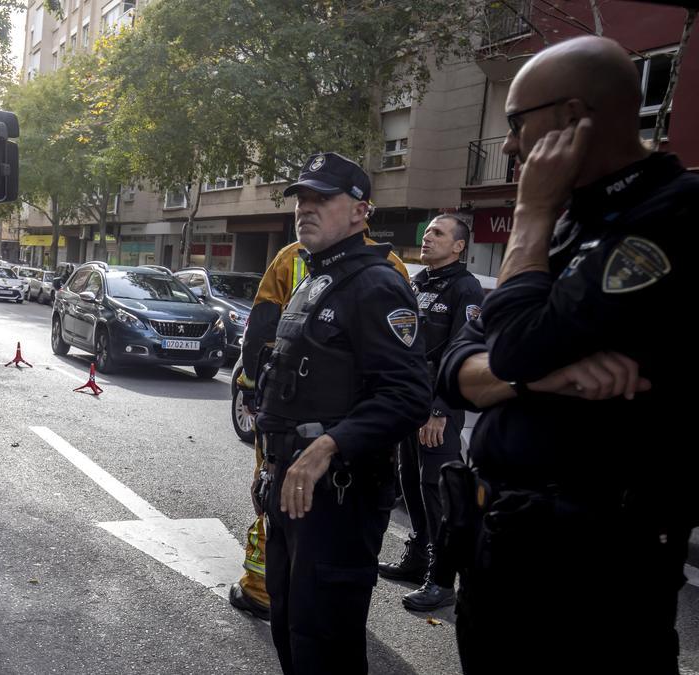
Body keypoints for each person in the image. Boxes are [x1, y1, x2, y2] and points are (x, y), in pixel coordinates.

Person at [435, 36, 694, 673]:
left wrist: (528, 216)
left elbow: (516, 344)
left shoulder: (673, 212)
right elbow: (456, 363)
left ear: (573, 115)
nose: (509, 145)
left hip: (598, 562)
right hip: (502, 536)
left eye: (517, 121)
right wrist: (542, 379)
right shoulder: (569, 218)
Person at [256, 152, 429, 673]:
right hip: (294, 486)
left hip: (340, 494)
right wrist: (273, 464)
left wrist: (327, 448)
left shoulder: (377, 284)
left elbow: (407, 395)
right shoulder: (315, 276)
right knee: (292, 630)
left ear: (360, 210)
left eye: (321, 199)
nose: (305, 209)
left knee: (325, 645)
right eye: (301, 199)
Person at [231, 225, 408, 621]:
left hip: (290, 412)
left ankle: (261, 589)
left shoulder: (291, 257)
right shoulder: (391, 265)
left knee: (274, 494)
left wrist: (252, 389)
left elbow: (259, 330)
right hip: (356, 427)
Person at [378, 214, 482, 611]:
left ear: (458, 246)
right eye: (427, 233)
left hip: (437, 407)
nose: (427, 237)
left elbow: (462, 350)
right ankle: (417, 557)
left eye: (438, 233)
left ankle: (442, 579)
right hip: (407, 401)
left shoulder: (465, 288)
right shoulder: (417, 282)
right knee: (409, 482)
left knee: (436, 491)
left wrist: (440, 409)